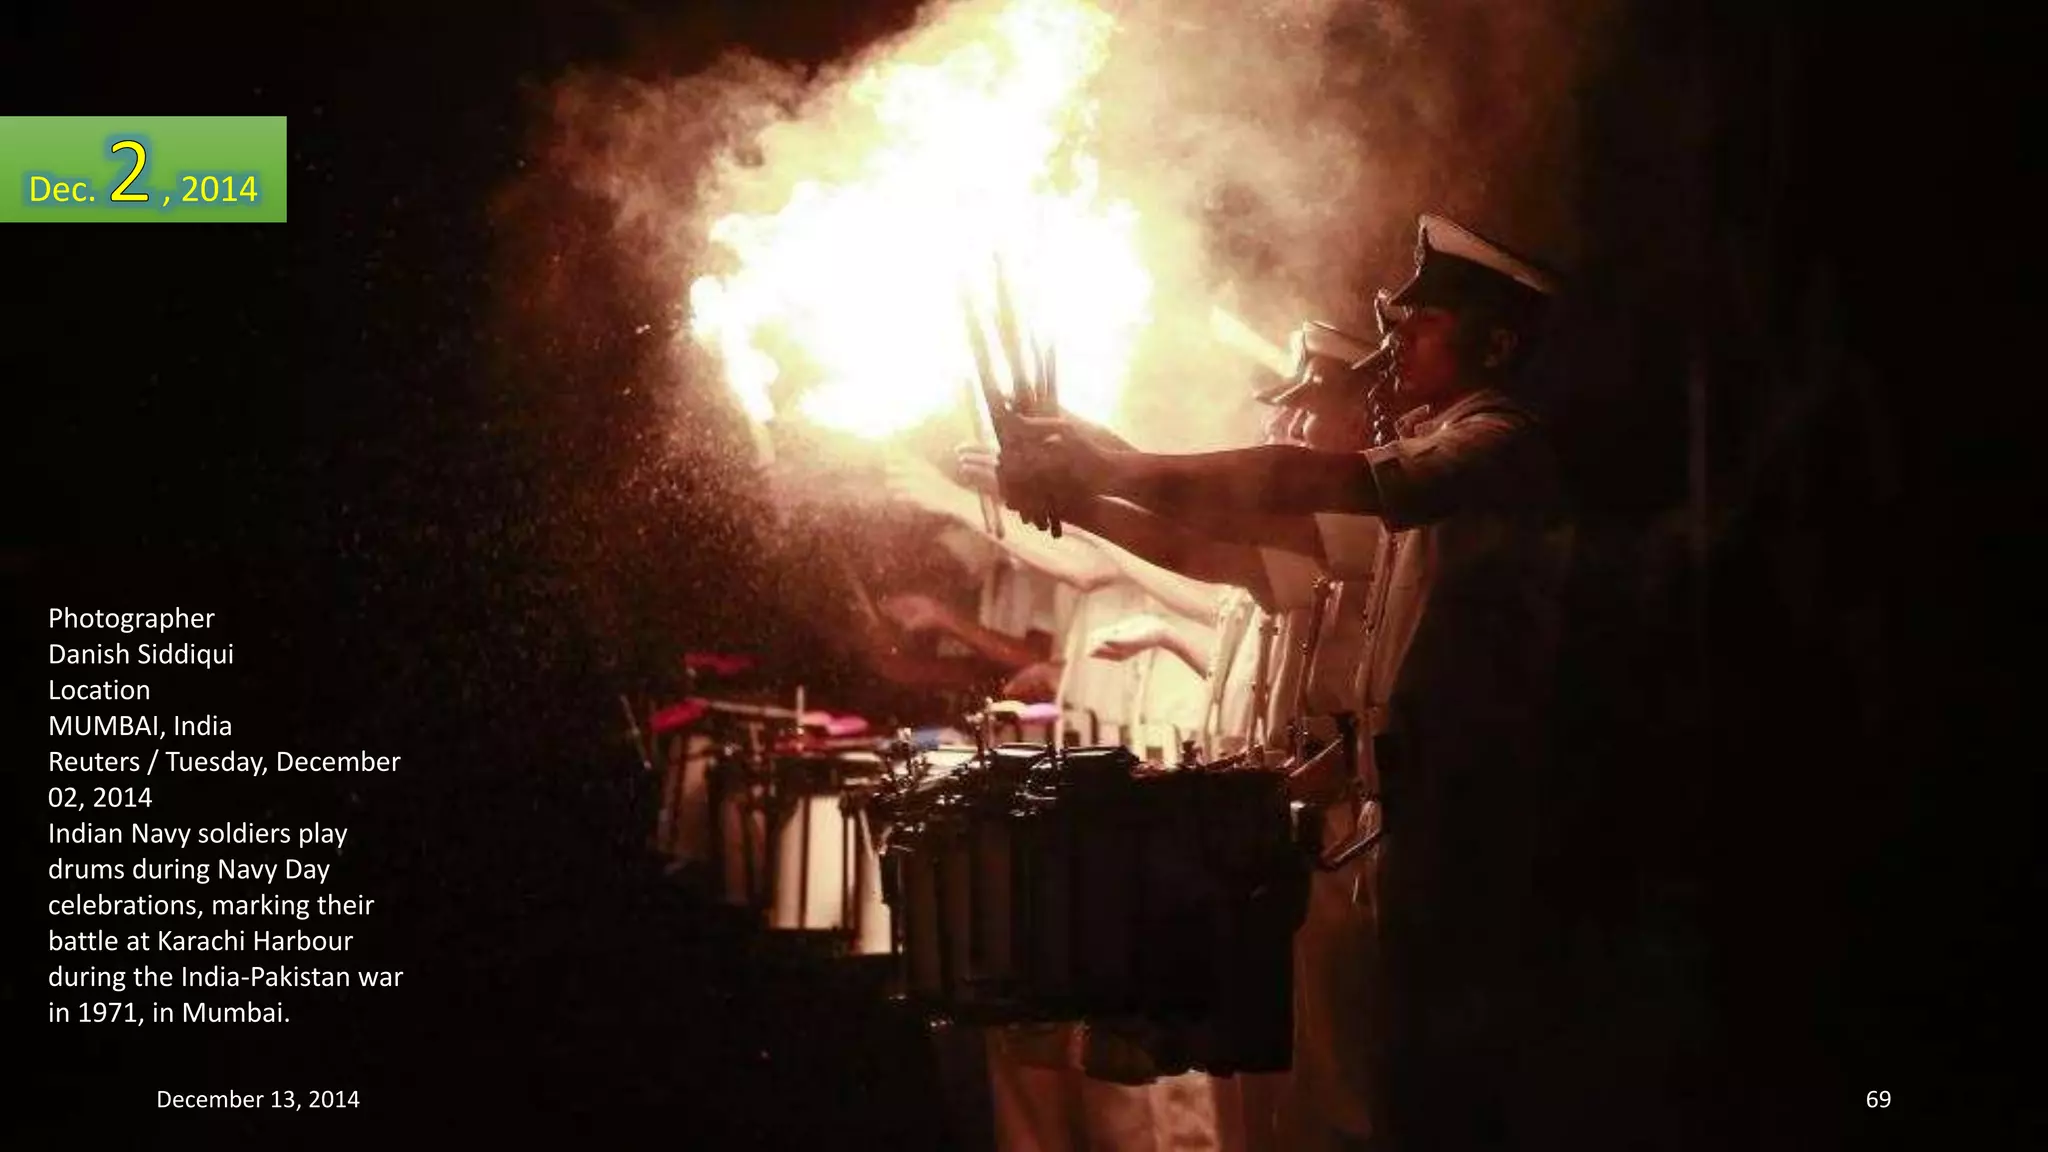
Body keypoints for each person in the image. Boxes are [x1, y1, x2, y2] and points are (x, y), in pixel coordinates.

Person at [999, 214, 1575, 1151]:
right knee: (1326, 1104)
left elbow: (1281, 489)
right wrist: (1087, 473)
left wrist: (1110, 466)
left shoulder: (1496, 447)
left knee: (1395, 1107)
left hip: (1461, 832)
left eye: (1424, 321)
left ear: (1499, 344)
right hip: (1381, 825)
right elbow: (1236, 534)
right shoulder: (1430, 462)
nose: (1399, 337)